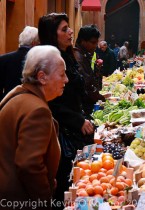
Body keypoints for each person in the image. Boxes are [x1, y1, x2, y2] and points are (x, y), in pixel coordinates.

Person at [38, 13, 95, 209]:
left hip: (75, 126)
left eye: (68, 28)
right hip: (62, 132)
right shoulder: (49, 61)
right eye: (64, 29)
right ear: (51, 35)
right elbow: (51, 102)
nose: (71, 32)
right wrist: (77, 120)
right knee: (64, 181)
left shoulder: (68, 56)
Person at [0, 45, 68, 209]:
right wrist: (44, 198)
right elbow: (29, 165)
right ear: (42, 77)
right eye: (61, 74)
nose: (66, 79)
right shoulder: (38, 110)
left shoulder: (19, 94)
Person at [0, 26, 39, 101]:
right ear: (34, 43)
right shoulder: (37, 60)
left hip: (8, 103)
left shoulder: (3, 59)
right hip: (31, 103)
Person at [74, 24, 105, 118]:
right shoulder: (78, 58)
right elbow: (86, 85)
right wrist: (100, 98)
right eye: (93, 42)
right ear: (83, 41)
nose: (95, 46)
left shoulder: (85, 55)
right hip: (83, 108)